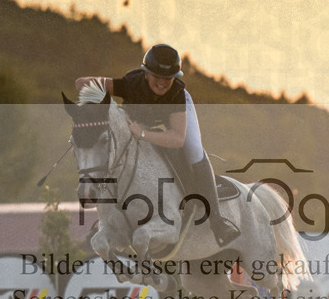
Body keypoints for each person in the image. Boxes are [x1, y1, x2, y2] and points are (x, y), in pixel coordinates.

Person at [75, 43, 240, 246]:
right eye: (156, 77)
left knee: (194, 150)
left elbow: (177, 139)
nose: (162, 83)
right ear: (145, 74)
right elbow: (81, 83)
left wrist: (143, 134)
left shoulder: (176, 94)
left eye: (168, 79)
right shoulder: (131, 83)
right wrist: (92, 100)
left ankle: (217, 221)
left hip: (170, 124)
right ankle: (109, 220)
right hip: (142, 122)